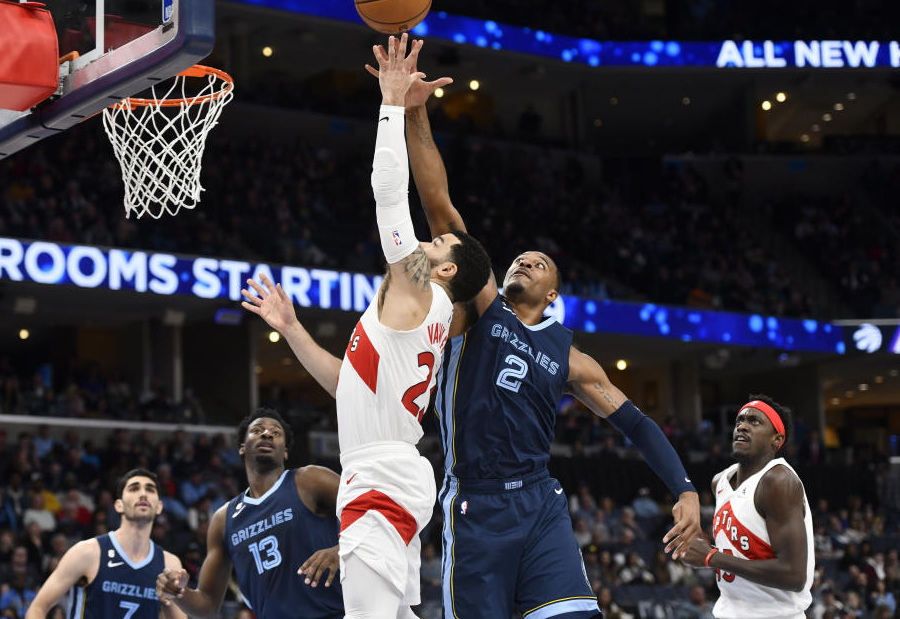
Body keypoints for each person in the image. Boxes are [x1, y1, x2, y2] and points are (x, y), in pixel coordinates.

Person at [365, 36, 702, 619]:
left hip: (541, 503)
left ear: (553, 294)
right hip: (476, 502)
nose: (523, 260)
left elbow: (636, 423)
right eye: (520, 257)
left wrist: (687, 489)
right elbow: (439, 203)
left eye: (538, 263)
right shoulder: (480, 306)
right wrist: (416, 111)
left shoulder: (569, 356)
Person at [240, 34, 492, 619]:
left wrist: (390, 101)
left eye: (441, 240)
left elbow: (387, 196)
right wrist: (292, 328)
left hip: (379, 476)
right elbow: (349, 382)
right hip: (389, 471)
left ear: (446, 268)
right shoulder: (417, 312)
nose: (431, 238)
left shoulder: (419, 287)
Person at [156, 409, 344, 619]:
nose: (267, 434)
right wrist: (179, 593)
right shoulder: (223, 520)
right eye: (257, 430)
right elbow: (207, 607)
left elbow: (370, 511)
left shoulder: (310, 480)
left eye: (276, 432)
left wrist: (342, 548)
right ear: (242, 448)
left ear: (285, 452)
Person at [678, 396, 814, 619]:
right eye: (740, 420)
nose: (742, 426)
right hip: (729, 611)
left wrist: (711, 557)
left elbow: (794, 575)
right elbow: (742, 550)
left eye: (755, 422)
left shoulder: (778, 481)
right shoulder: (720, 482)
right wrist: (697, 549)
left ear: (776, 439)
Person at [25, 468, 185, 619]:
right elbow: (37, 608)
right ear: (119, 505)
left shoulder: (169, 564)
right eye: (134, 489)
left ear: (159, 507)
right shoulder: (87, 552)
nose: (143, 494)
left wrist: (169, 599)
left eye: (150, 489)